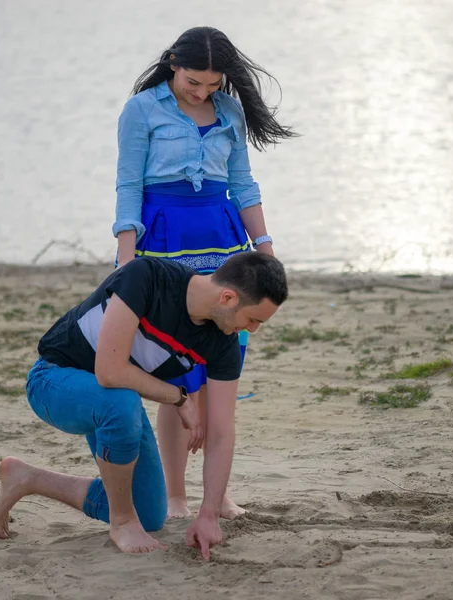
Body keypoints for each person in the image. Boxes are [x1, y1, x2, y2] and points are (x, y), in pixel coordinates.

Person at [0, 252, 288, 559]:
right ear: (228, 297)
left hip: (113, 401)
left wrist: (208, 514)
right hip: (52, 380)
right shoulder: (147, 276)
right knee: (121, 400)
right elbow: (109, 371)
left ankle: (27, 478)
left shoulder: (222, 343)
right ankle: (121, 522)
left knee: (149, 514)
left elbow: (223, 431)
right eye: (253, 319)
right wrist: (178, 398)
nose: (252, 330)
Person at [113, 26, 296, 519]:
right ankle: (175, 496)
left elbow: (242, 184)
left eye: (212, 85)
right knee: (175, 376)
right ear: (174, 63)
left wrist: (266, 247)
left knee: (217, 371)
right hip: (163, 248)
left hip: (223, 247)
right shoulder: (141, 110)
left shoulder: (230, 112)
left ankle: (217, 493)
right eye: (194, 82)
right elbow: (129, 187)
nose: (202, 93)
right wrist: (126, 263)